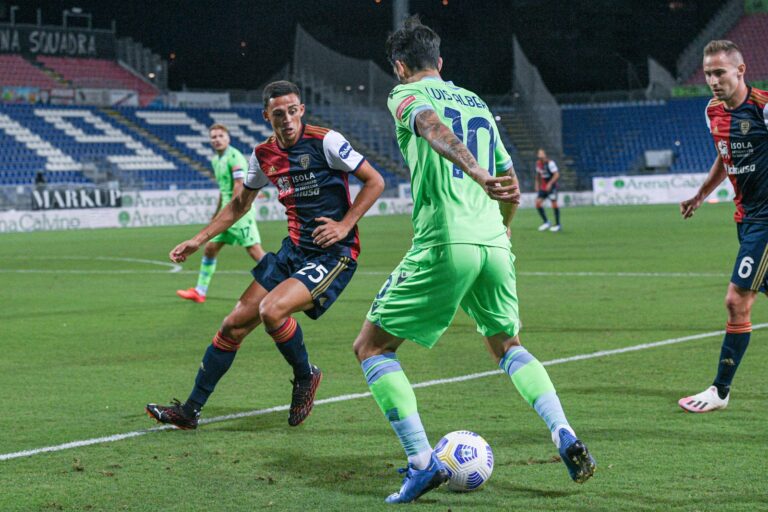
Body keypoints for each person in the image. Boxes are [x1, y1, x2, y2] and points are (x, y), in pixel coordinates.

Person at [352, 17, 595, 504]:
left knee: (372, 348)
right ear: (441, 63)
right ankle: (563, 431)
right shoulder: (476, 101)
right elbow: (512, 184)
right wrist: (501, 230)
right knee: (507, 346)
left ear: (400, 67)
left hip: (446, 240)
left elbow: (431, 126)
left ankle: (422, 463)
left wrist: (475, 173)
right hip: (494, 244)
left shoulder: (404, 95)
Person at [147, 80, 385, 429]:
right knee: (232, 325)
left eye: (293, 111)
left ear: (301, 110)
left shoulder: (326, 141)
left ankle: (306, 376)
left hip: (333, 254)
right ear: (266, 116)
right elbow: (240, 203)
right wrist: (198, 240)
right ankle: (190, 411)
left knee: (271, 310)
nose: (287, 119)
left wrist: (345, 224)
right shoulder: (262, 155)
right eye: (278, 114)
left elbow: (374, 180)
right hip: (292, 252)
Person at [678, 40, 768, 413]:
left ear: (741, 70)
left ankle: (720, 390)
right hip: (745, 219)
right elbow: (724, 155)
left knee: (736, 301)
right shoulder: (712, 111)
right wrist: (700, 194)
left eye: (720, 72)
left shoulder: (763, 108)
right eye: (709, 73)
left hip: (766, 221)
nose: (713, 80)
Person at [176, 124, 265, 304]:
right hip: (226, 212)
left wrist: (232, 212)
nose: (216, 139)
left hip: (239, 213)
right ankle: (200, 291)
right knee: (210, 248)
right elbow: (222, 190)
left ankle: (284, 283)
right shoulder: (216, 160)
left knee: (255, 251)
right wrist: (217, 214)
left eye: (220, 136)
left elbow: (239, 186)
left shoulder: (234, 157)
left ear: (228, 138)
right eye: (213, 137)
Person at [534, 148, 561, 232]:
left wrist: (550, 183)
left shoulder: (550, 163)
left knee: (554, 204)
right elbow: (538, 175)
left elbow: (556, 174)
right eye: (539, 153)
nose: (541, 155)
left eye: (542, 153)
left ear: (545, 155)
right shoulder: (538, 164)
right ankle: (546, 222)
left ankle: (557, 225)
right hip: (543, 187)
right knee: (538, 203)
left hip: (552, 187)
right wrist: (537, 184)